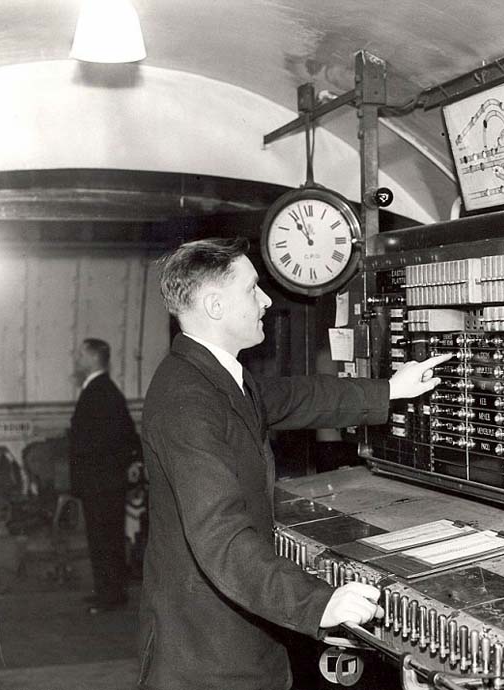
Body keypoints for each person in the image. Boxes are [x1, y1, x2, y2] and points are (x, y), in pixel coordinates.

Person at [138, 237, 449, 690]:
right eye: (252, 289)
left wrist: (390, 390)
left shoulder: (216, 374)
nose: (266, 300)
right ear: (215, 305)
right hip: (206, 659)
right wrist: (317, 603)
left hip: (229, 639)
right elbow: (219, 537)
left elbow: (294, 397)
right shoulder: (187, 399)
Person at [69, 337, 138, 613]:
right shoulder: (104, 390)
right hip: (104, 481)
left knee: (103, 540)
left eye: (80, 356)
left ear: (91, 358)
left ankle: (109, 597)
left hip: (100, 483)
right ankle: (110, 592)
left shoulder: (99, 392)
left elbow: (107, 439)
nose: (76, 361)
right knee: (106, 538)